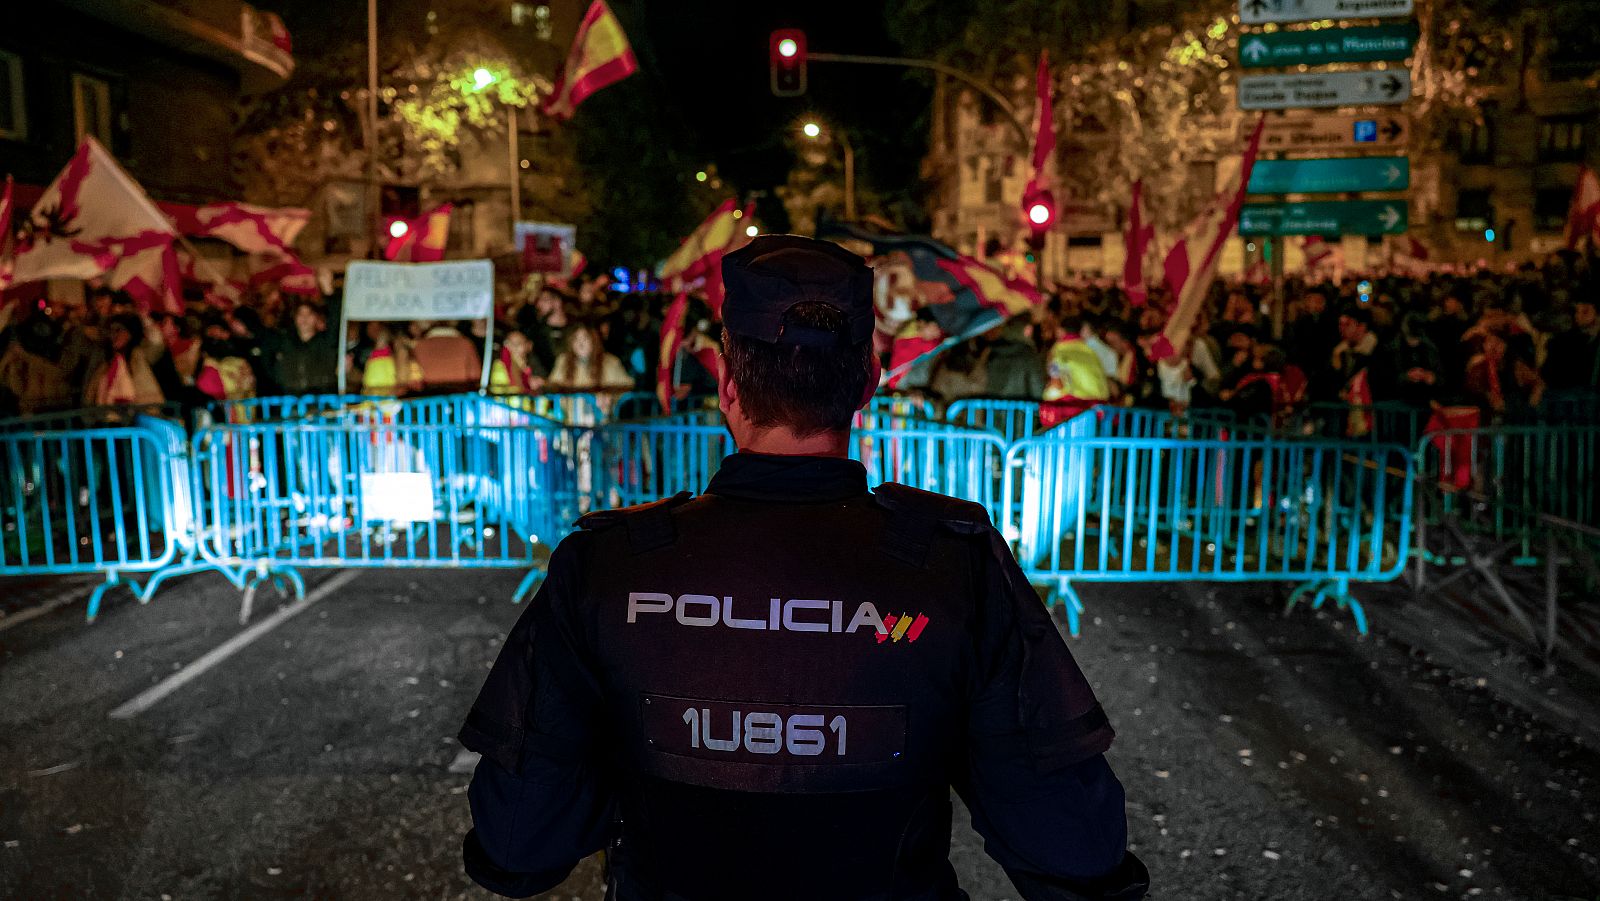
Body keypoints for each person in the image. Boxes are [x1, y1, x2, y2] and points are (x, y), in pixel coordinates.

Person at [459, 235, 1147, 901]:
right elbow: (1076, 848)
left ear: (726, 383)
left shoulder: (605, 564)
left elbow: (518, 845)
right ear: (870, 380)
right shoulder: (954, 565)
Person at [545, 323, 633, 393]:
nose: (580, 344)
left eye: (585, 339)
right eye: (576, 339)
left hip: (602, 413)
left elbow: (626, 388)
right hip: (570, 414)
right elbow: (553, 385)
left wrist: (609, 397)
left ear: (593, 341)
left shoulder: (610, 362)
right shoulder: (563, 360)